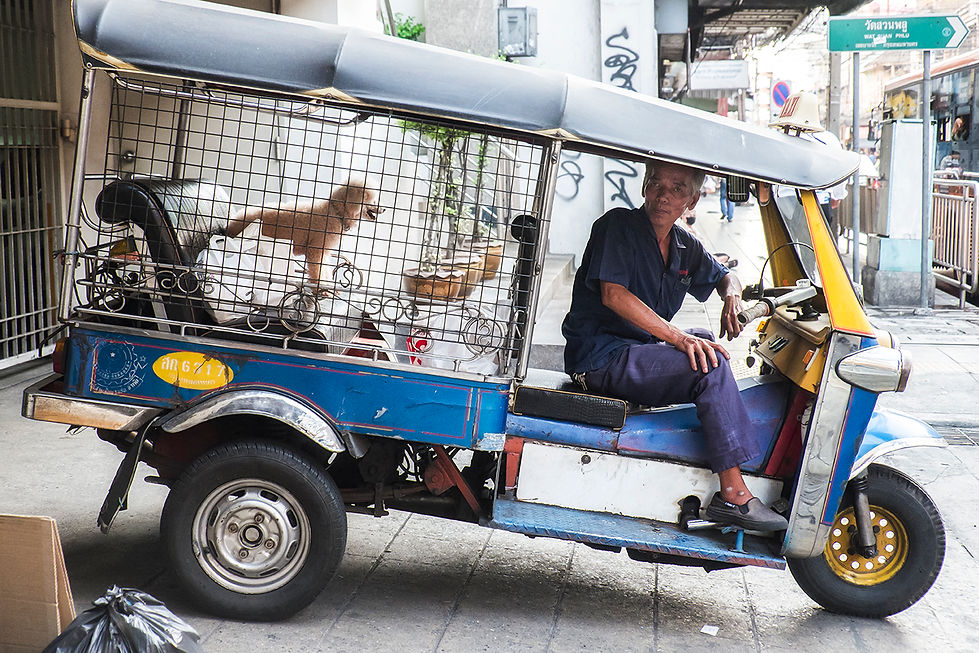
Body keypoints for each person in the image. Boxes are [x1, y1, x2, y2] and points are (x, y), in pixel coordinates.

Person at [561, 161, 788, 531]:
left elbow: (724, 274)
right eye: (656, 184)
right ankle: (734, 495)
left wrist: (731, 297)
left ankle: (710, 445)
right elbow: (614, 295)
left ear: (693, 200)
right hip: (601, 357)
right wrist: (679, 337)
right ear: (644, 187)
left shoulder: (684, 244)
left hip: (636, 348)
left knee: (708, 342)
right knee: (708, 363)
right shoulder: (616, 226)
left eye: (677, 189)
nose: (664, 196)